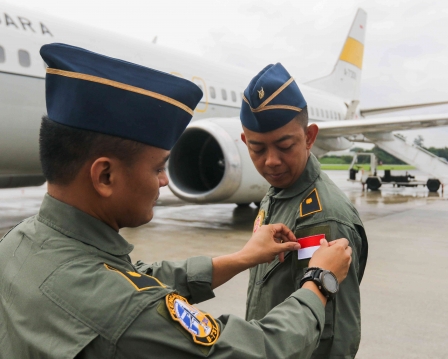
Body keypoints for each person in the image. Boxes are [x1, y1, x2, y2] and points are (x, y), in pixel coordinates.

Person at [0, 44, 354, 359]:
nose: (165, 180)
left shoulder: (19, 242)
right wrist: (319, 283)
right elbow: (259, 349)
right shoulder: (125, 311)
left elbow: (134, 277)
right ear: (105, 176)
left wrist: (241, 258)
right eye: (157, 167)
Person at [240, 63, 369, 359]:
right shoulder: (276, 196)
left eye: (285, 146)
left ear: (310, 137)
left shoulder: (322, 218)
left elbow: (335, 336)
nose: (271, 161)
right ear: (245, 141)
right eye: (257, 149)